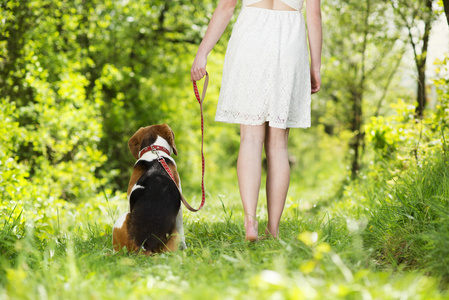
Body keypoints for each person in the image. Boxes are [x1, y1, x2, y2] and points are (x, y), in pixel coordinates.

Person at [191, 0, 322, 241]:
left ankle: (250, 222)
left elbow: (226, 7)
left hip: (251, 37)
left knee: (250, 139)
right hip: (289, 40)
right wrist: (316, 65)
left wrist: (202, 53)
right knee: (278, 144)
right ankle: (273, 229)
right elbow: (314, 16)